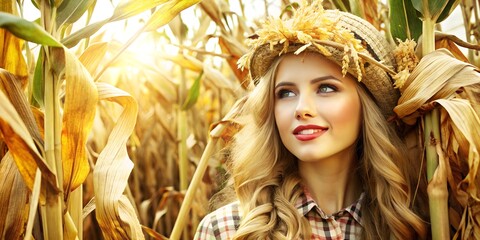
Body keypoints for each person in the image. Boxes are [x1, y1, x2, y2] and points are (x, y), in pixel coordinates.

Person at [194, 1, 428, 239]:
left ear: (367, 106)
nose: (301, 109)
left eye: (326, 88)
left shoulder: (411, 225)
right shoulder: (227, 230)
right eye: (286, 93)